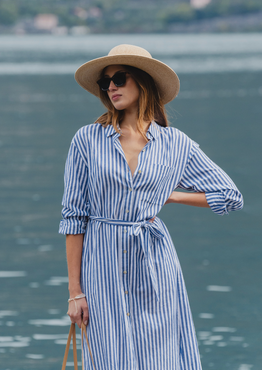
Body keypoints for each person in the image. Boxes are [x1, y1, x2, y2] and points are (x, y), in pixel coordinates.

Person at [59, 44, 243, 370]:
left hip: (155, 265)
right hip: (102, 266)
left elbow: (230, 196)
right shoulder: (87, 139)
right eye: (105, 83)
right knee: (107, 357)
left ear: (143, 81)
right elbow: (74, 217)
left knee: (159, 356)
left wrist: (171, 196)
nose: (111, 87)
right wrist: (75, 292)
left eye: (118, 78)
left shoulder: (176, 144)